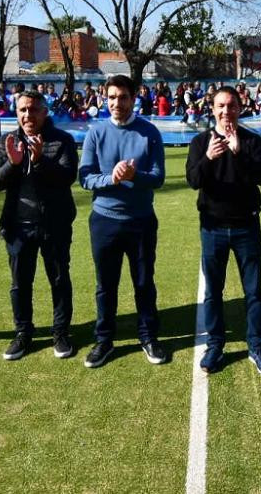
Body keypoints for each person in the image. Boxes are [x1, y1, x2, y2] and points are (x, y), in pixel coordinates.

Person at [78, 74, 168, 368]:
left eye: (123, 97)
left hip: (141, 220)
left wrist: (134, 177)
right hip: (104, 220)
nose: (117, 102)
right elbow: (85, 177)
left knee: (143, 282)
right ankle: (104, 339)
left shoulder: (149, 132)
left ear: (134, 97)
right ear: (105, 98)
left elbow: (158, 178)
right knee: (106, 284)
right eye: (112, 97)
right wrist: (111, 178)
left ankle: (148, 336)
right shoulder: (95, 132)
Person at [185, 85, 261, 375]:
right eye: (221, 106)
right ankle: (215, 344)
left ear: (240, 108)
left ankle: (256, 345)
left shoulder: (252, 141)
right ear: (212, 109)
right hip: (212, 227)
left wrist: (239, 154)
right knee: (213, 291)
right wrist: (209, 158)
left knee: (253, 291)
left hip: (246, 226)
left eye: (232, 106)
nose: (226, 112)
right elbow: (193, 180)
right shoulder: (201, 142)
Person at [0, 91, 79, 361]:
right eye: (23, 110)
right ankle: (23, 334)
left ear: (44, 112)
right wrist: (14, 164)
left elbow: (67, 177)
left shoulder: (62, 140)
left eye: (34, 109)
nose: (28, 115)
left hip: (55, 224)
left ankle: (61, 333)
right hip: (17, 226)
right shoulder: (6, 141)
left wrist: (39, 160)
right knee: (20, 284)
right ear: (16, 112)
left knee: (59, 280)